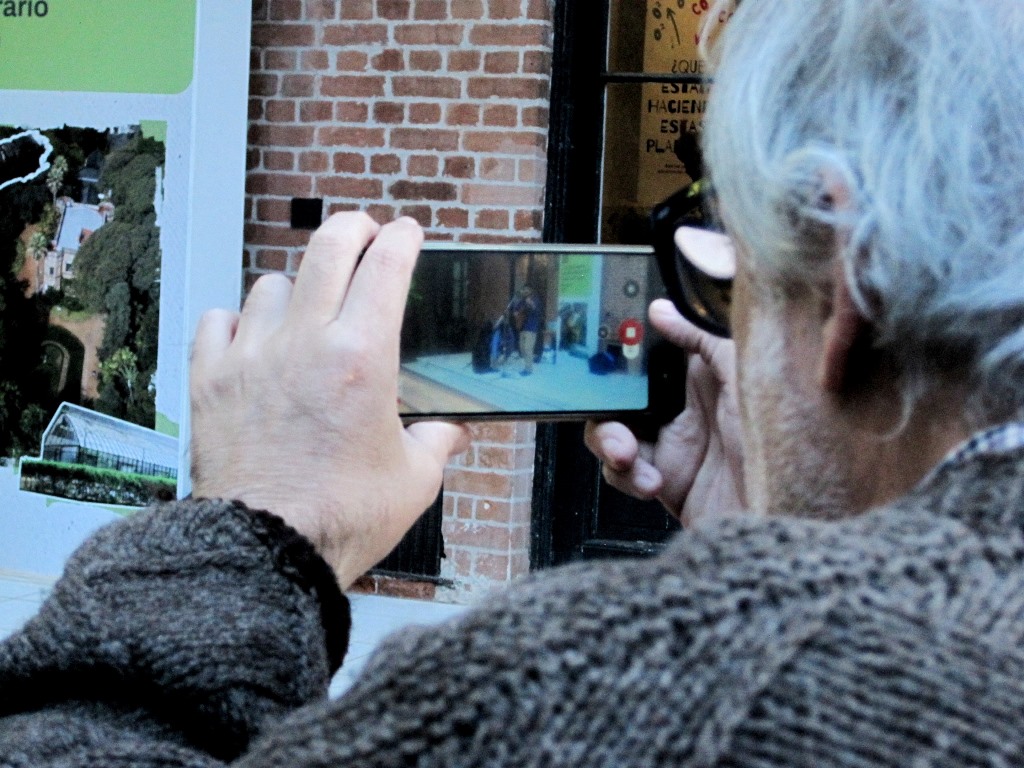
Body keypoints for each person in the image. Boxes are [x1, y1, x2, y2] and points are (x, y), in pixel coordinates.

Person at [4, 0, 1024, 765]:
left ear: (843, 272)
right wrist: (775, 546)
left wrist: (253, 529)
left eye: (731, 265)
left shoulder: (596, 690)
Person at [511, 284, 541, 375]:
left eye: (526, 290)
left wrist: (531, 303)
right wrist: (515, 313)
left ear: (530, 290)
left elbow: (537, 311)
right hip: (522, 327)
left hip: (531, 328)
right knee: (522, 349)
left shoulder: (535, 299)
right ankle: (533, 357)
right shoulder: (522, 301)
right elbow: (516, 309)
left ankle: (528, 369)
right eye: (523, 290)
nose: (524, 291)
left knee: (528, 349)